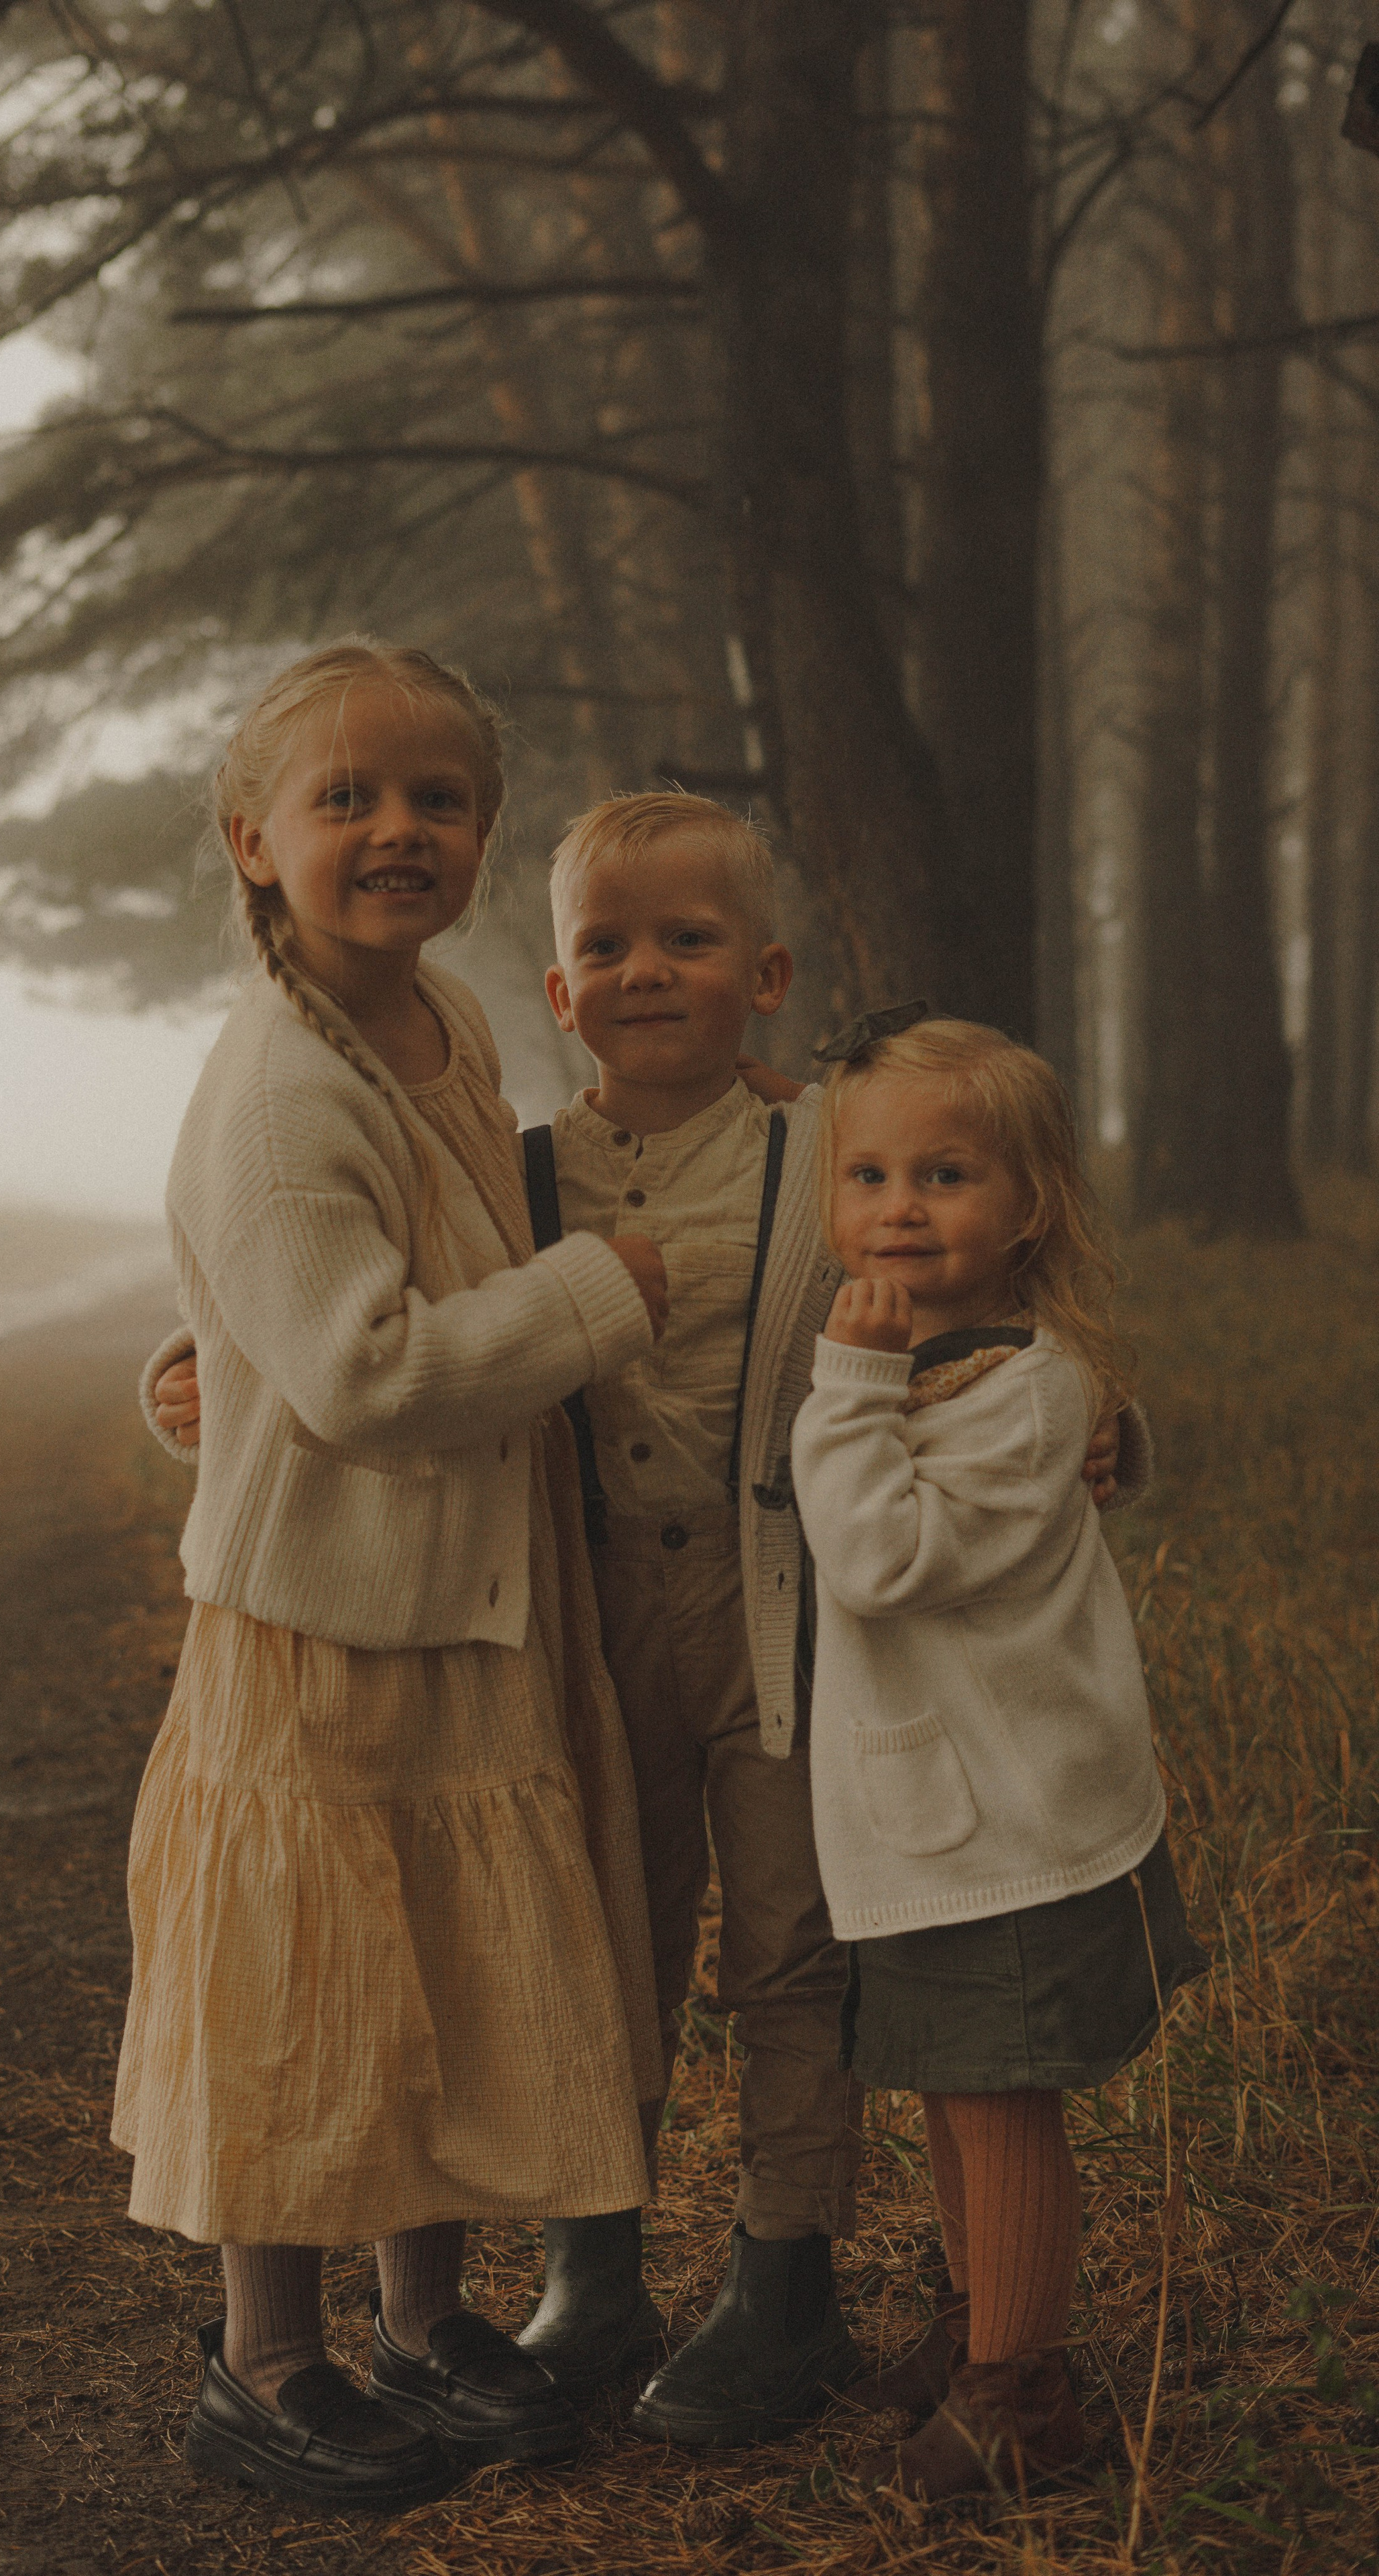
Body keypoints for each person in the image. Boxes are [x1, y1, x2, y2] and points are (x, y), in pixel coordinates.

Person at [148, 794, 1136, 2451]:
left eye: (686, 941)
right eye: (603, 945)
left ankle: (783, 2272)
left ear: (763, 974)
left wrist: (1103, 1420)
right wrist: (196, 1375)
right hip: (572, 1627)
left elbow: (983, 1269)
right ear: (553, 991)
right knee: (590, 1934)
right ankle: (588, 2262)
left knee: (785, 1954)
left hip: (781, 1622)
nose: (644, 972)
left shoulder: (823, 1146)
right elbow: (321, 1279)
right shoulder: (514, 1167)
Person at [113, 638, 672, 2512]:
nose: (397, 829)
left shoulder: (439, 1026)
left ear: (485, 834)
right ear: (252, 839)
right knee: (304, 1986)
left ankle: (427, 2322)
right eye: (345, 798)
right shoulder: (281, 1082)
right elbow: (360, 1371)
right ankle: (269, 2365)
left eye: (438, 798)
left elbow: (343, 1290)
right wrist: (605, 1298)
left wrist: (209, 1353)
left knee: (435, 1963)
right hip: (326, 1622)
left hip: (464, 1591)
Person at [791, 1013, 1205, 2503]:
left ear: (1026, 1203)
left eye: (945, 1173)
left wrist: (843, 1391)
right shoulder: (942, 1357)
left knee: (996, 2099)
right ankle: (986, 2327)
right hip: (934, 1821)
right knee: (948, 2087)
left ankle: (1021, 2399)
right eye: (868, 1174)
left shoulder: (1014, 1384)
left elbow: (877, 1555)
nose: (896, 1206)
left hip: (1004, 1826)